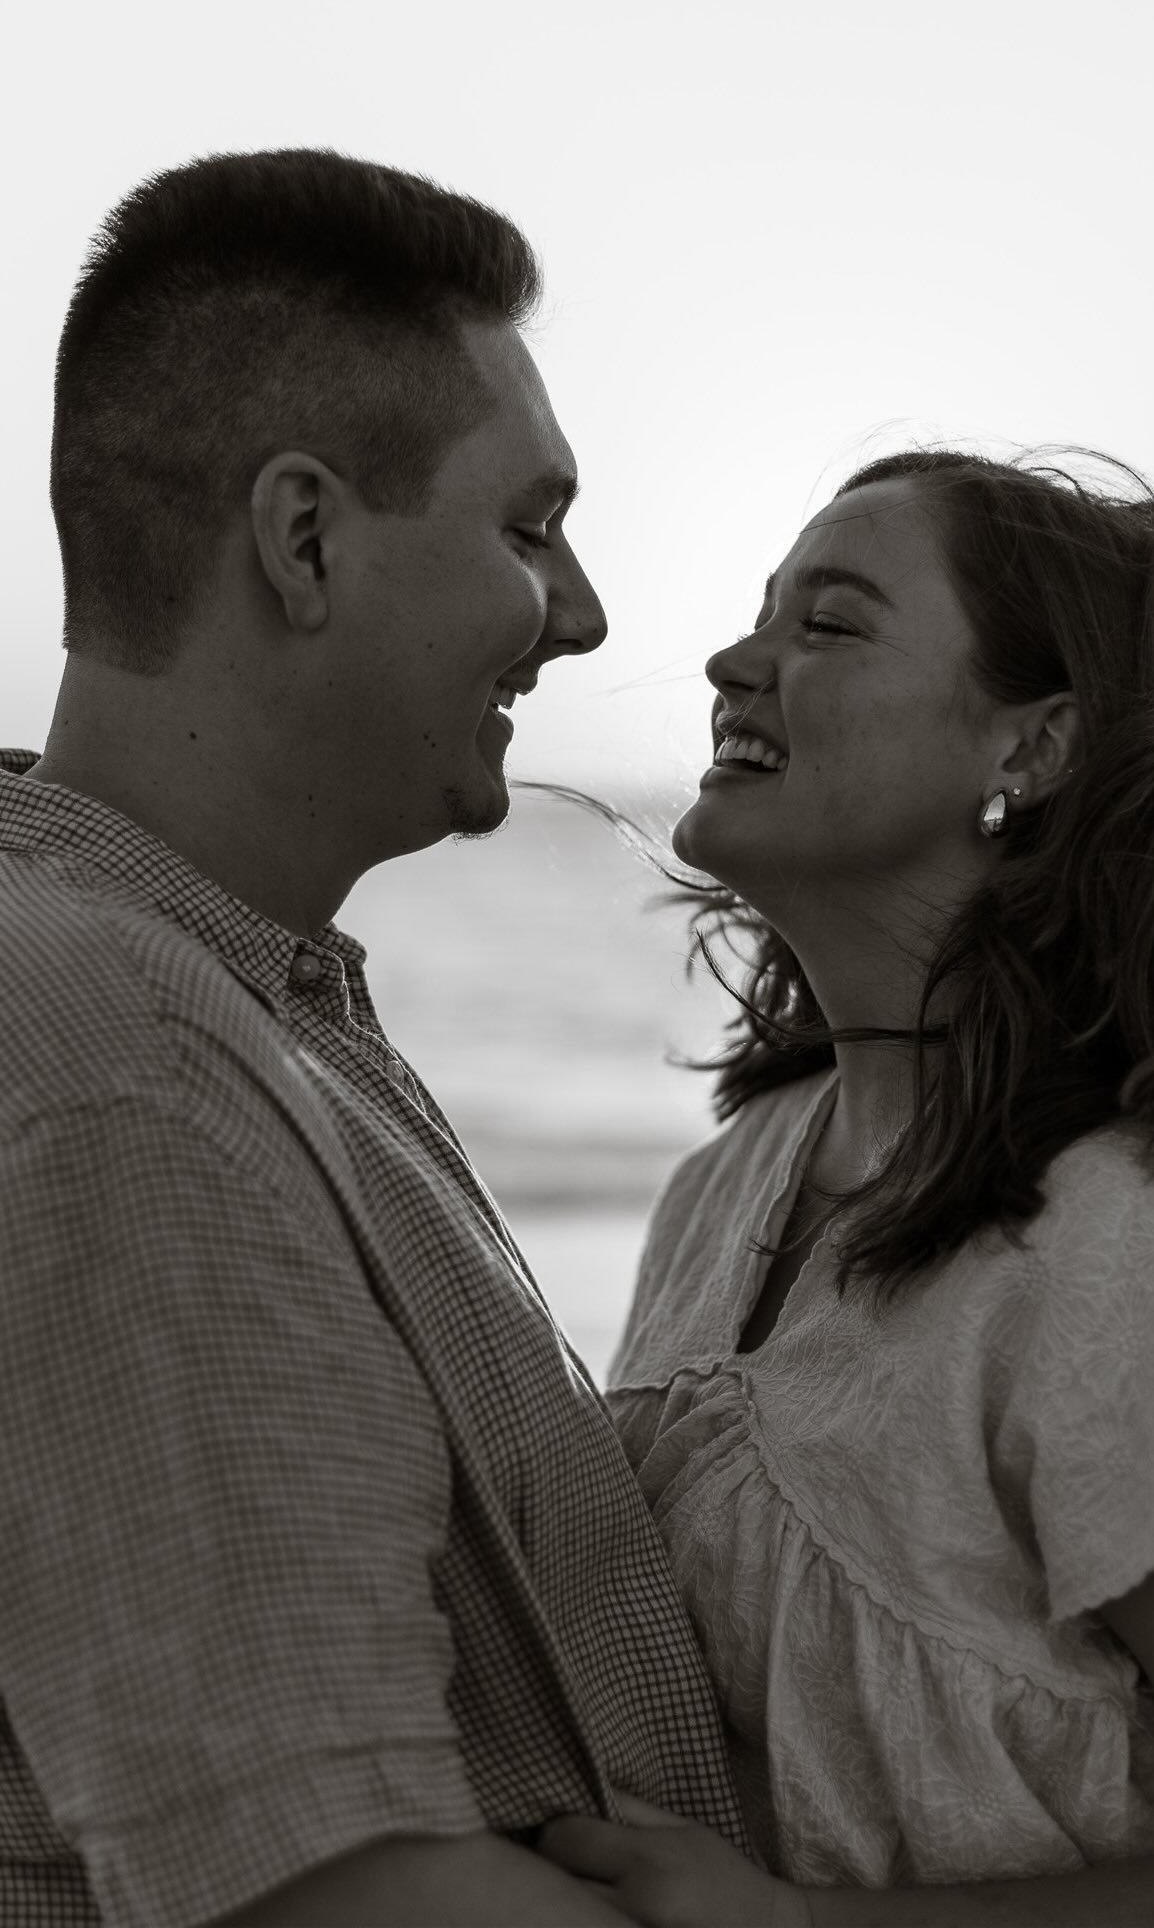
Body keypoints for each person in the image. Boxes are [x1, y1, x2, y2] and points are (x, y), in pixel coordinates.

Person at [0, 149, 750, 1928]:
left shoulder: (228, 1001)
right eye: (528, 528)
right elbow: (341, 1890)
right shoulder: (128, 1068)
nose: (581, 614)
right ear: (306, 540)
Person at [539, 450, 1154, 1924]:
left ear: (1032, 747)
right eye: (761, 612)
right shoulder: (725, 1182)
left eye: (826, 624)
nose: (731, 663)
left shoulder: (1102, 1249)